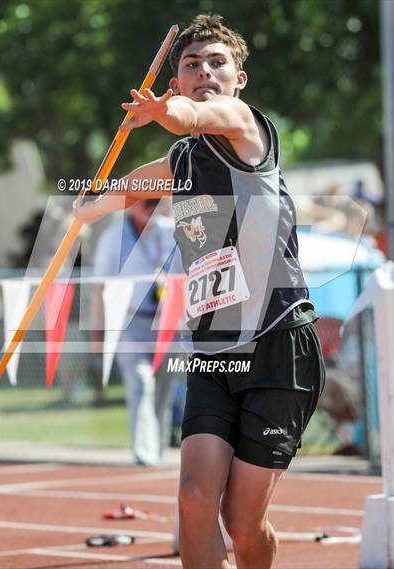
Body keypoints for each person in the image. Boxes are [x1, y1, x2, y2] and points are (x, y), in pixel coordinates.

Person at [73, 14, 325, 569]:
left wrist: (165, 112)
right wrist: (87, 208)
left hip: (278, 344)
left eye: (217, 63)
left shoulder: (241, 123)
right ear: (176, 77)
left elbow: (195, 117)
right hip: (213, 351)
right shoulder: (182, 159)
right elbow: (140, 180)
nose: (204, 71)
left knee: (242, 521)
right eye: (192, 65)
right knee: (192, 499)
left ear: (239, 79)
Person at [91, 199, 179, 466]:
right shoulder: (113, 237)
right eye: (145, 204)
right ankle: (144, 454)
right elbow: (98, 288)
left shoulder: (170, 230)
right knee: (140, 382)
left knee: (165, 388)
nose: (151, 209)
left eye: (156, 203)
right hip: (130, 321)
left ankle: (157, 451)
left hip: (167, 322)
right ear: (131, 206)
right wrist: (98, 332)